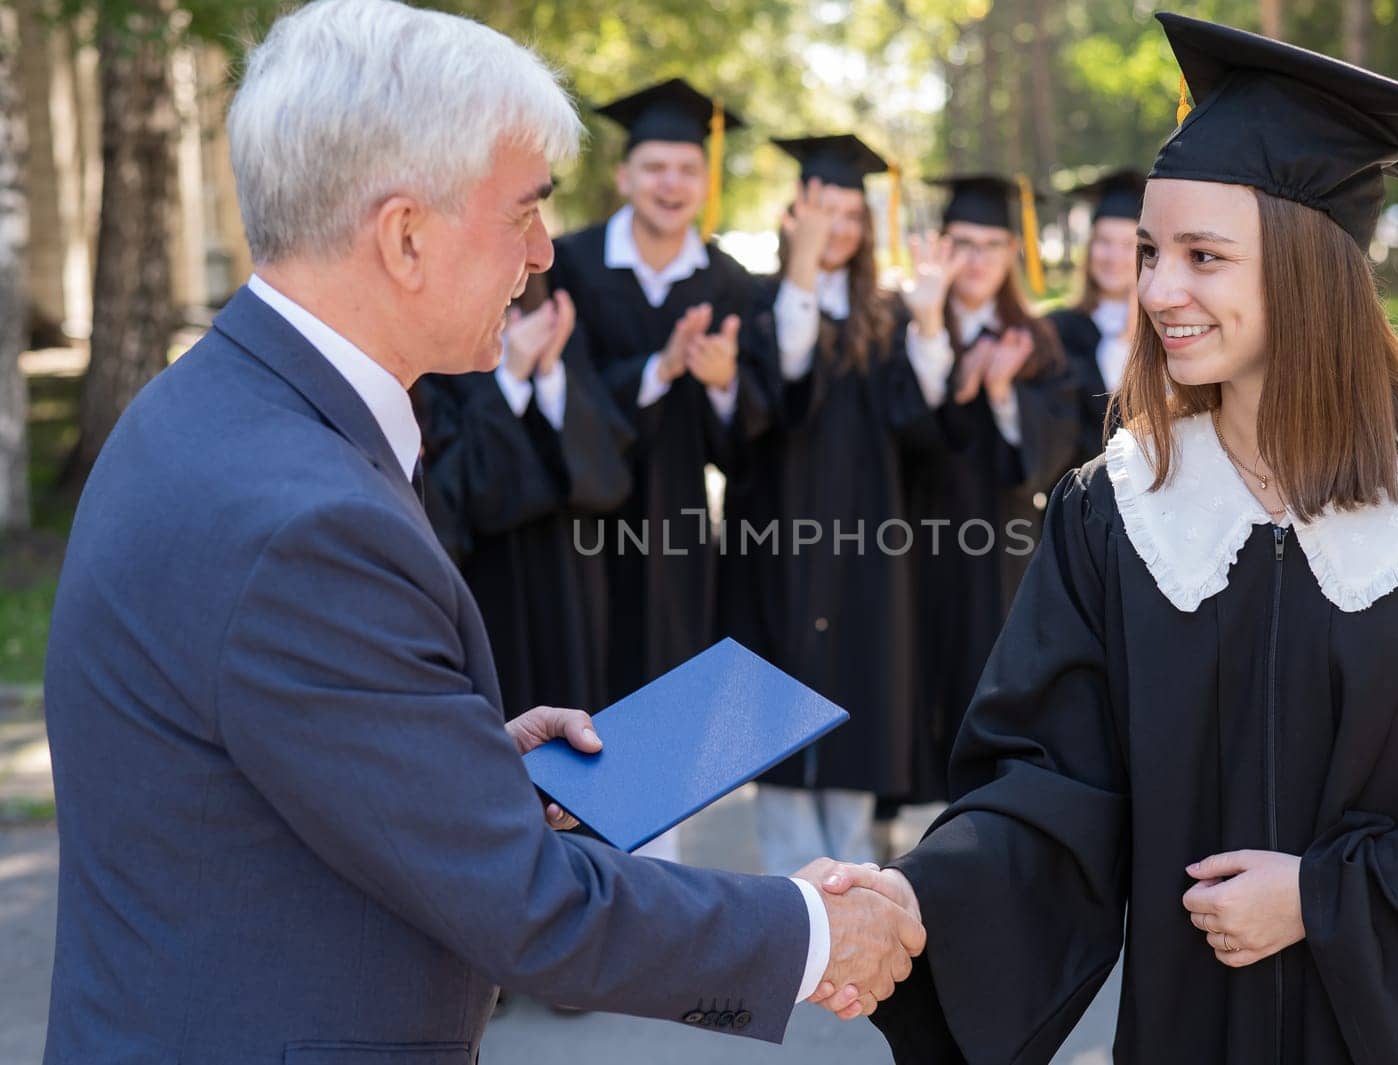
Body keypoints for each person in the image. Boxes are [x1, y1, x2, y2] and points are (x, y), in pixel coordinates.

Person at [40, 3, 923, 1061]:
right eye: (524, 211)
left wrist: (458, 763)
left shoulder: (217, 408)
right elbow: (529, 906)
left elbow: (269, 752)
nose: (545, 250)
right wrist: (816, 928)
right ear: (406, 234)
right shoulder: (306, 520)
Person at [827, 13, 1398, 1061]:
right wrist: (916, 902)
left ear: (1307, 268)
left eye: (1202, 255)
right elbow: (1048, 787)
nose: (1155, 292)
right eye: (1150, 252)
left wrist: (1328, 896)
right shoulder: (1120, 512)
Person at [737, 135, 936, 875]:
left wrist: (932, 322)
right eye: (825, 210)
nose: (839, 228)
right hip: (776, 544)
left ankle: (851, 912)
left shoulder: (883, 315)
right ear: (795, 214)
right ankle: (789, 914)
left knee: (856, 711)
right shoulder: (760, 300)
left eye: (852, 215)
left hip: (865, 546)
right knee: (777, 724)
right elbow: (782, 386)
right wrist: (799, 274)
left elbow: (920, 422)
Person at [544, 78, 765, 707]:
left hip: (680, 525)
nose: (671, 185)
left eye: (687, 170)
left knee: (670, 700)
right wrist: (659, 369)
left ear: (704, 182)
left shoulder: (730, 283)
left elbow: (749, 437)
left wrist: (724, 383)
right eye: (654, 168)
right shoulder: (570, 266)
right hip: (585, 513)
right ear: (623, 177)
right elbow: (567, 390)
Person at [899, 174, 1080, 803]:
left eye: (991, 244)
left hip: (1001, 550)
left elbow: (1052, 451)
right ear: (941, 246)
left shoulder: (1039, 338)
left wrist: (1001, 394)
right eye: (962, 243)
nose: (976, 260)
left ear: (1012, 252)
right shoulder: (907, 320)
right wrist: (931, 340)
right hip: (913, 540)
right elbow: (897, 432)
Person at [413, 270, 633, 714]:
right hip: (492, 582)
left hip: (569, 575)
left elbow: (606, 474)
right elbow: (455, 491)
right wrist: (511, 376)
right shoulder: (436, 354)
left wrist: (550, 371)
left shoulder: (560, 328)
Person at [1048, 169, 1144, 458]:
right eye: (1103, 241)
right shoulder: (1058, 329)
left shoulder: (1173, 327)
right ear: (1089, 248)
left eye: (1129, 245)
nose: (1114, 257)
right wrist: (1123, 340)